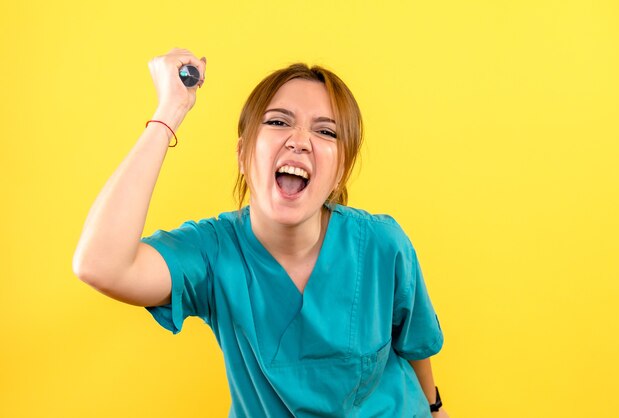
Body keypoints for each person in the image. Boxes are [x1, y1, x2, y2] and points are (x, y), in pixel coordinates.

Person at [73, 48, 449, 418]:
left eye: (325, 131)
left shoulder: (382, 244)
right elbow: (100, 265)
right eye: (278, 122)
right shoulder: (213, 253)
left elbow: (415, 345)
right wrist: (169, 111)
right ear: (242, 154)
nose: (299, 140)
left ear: (341, 170)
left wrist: (435, 409)